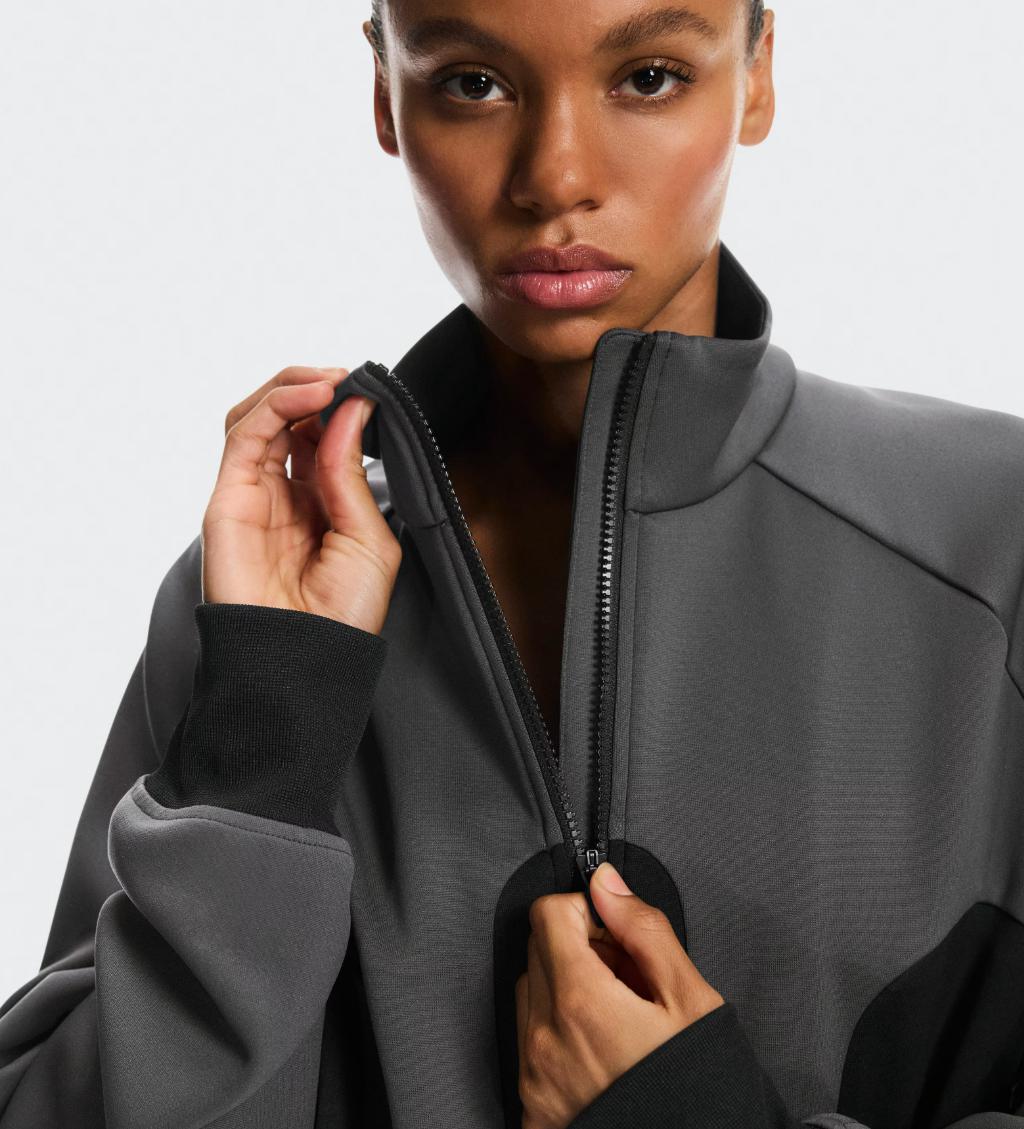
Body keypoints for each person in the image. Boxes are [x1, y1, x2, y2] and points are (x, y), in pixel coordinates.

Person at [2, 0, 1024, 1126]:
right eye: (472, 84)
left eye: (647, 77)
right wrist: (267, 743)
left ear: (758, 73)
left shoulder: (995, 544)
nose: (556, 178)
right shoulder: (260, 606)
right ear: (386, 94)